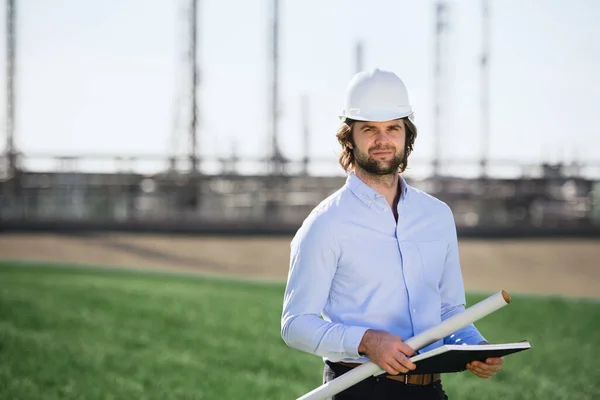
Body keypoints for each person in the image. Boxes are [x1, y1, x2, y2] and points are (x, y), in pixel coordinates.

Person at [280, 68, 504, 400]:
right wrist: (365, 340)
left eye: (393, 128)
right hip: (357, 389)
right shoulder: (326, 224)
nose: (382, 140)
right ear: (349, 137)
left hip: (430, 391)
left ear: (406, 135)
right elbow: (295, 325)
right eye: (369, 129)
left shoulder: (437, 216)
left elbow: (448, 310)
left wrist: (475, 347)